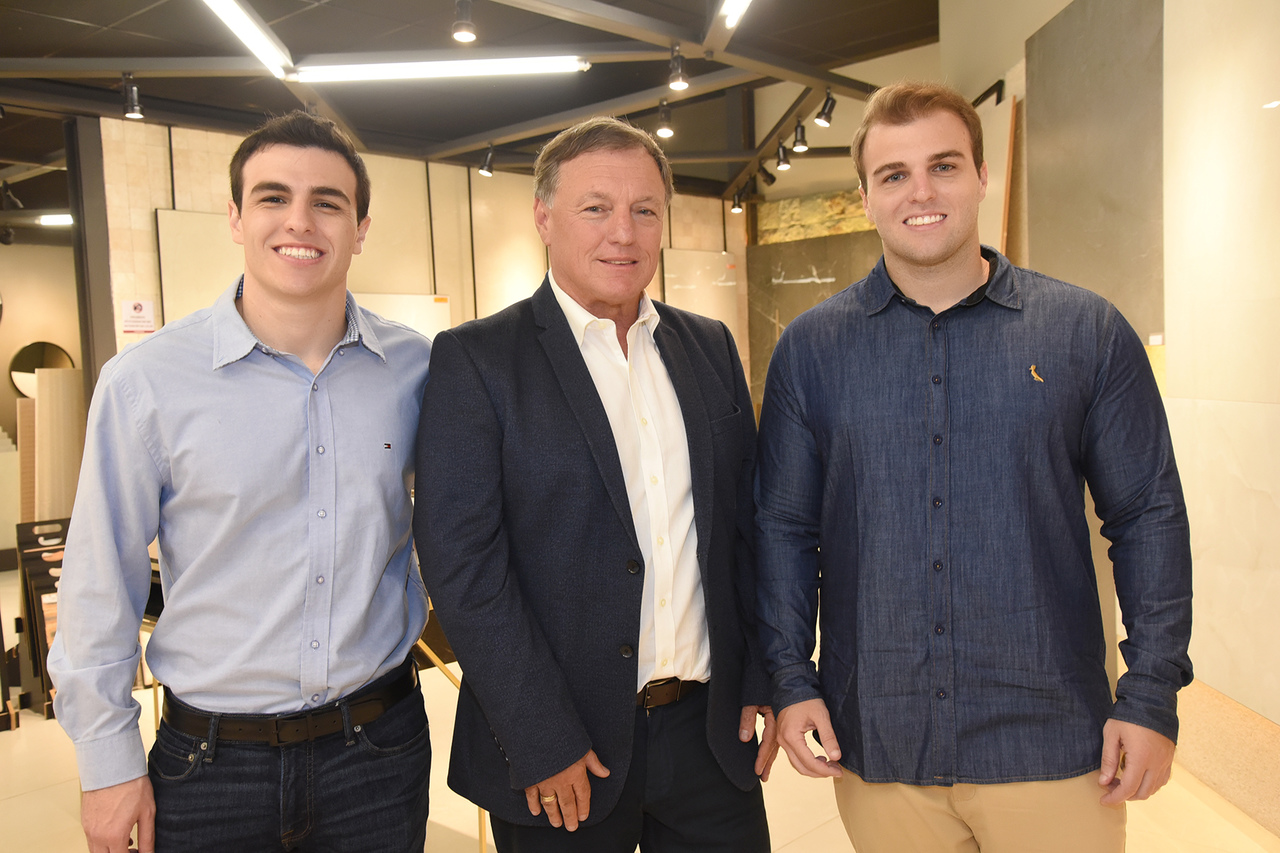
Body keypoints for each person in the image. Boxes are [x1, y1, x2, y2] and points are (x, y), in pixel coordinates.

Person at [754, 81, 1193, 853]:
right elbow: (786, 530)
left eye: (944, 166)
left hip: (1054, 742)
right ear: (865, 197)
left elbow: (1148, 514)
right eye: (894, 175)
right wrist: (792, 678)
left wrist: (1151, 693)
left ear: (983, 177)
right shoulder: (812, 351)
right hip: (881, 742)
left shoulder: (1083, 332)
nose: (920, 192)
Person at [47, 110, 432, 853]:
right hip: (210, 767)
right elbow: (101, 581)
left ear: (361, 226)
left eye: (328, 201)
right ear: (234, 217)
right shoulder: (145, 384)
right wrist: (105, 764)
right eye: (272, 197)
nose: (300, 221)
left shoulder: (416, 371)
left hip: (379, 756)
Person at [414, 116, 776, 852]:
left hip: (709, 740)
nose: (625, 231)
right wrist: (539, 736)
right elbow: (464, 567)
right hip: (564, 751)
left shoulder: (707, 346)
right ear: (544, 217)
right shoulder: (478, 360)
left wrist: (766, 670)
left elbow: (747, 527)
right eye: (596, 207)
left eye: (645, 210)